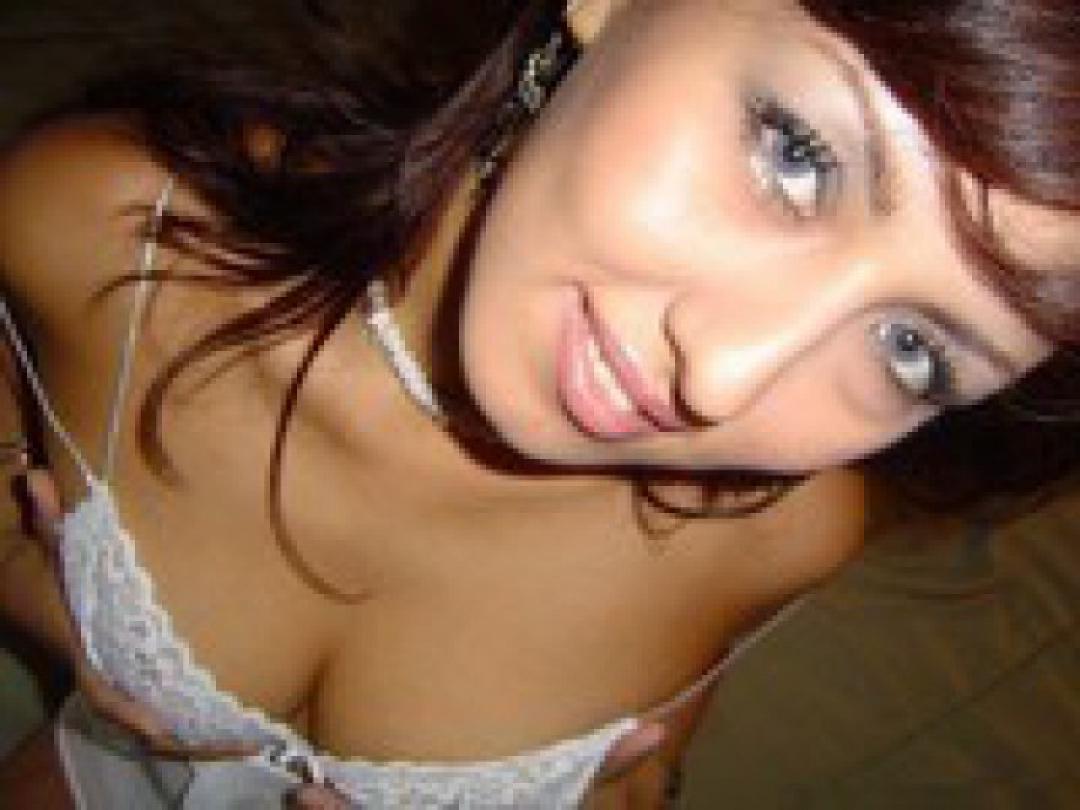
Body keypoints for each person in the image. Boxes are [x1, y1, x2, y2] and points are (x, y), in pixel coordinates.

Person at [0, 0, 1077, 806]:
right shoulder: (109, 233)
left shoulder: (784, 528)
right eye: (796, 155)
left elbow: (647, 762)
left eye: (914, 349)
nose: (723, 380)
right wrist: (38, 595)